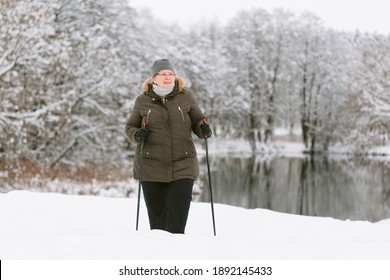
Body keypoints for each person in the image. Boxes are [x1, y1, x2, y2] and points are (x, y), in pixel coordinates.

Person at [125, 58, 212, 234]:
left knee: (177, 222)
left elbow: (197, 119)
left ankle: (178, 255)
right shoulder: (142, 101)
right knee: (158, 224)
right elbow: (130, 127)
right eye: (163, 74)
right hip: (151, 165)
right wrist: (136, 135)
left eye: (171, 74)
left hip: (183, 163)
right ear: (153, 78)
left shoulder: (185, 96)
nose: (168, 77)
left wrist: (203, 129)